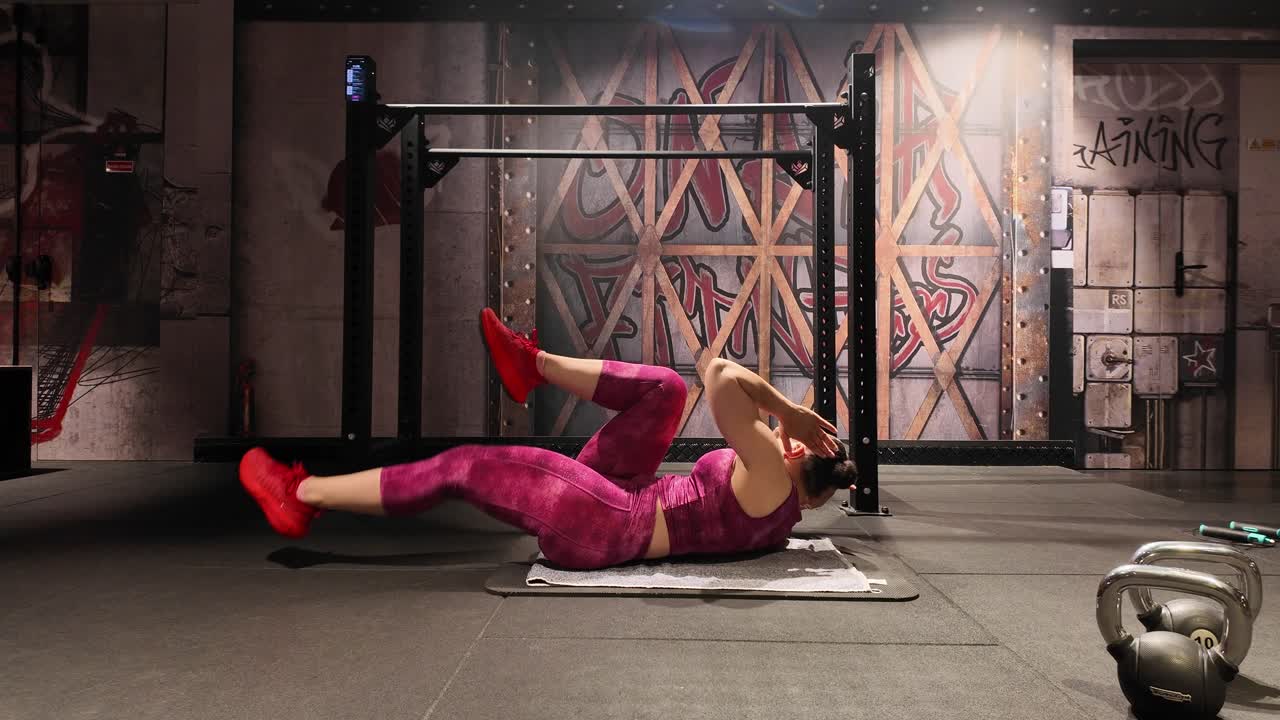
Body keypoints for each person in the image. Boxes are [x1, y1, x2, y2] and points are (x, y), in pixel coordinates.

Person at [239, 308, 858, 570]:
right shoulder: (779, 511)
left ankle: (305, 494)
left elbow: (720, 374)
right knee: (666, 390)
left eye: (795, 436)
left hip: (607, 522)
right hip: (628, 493)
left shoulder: (773, 477)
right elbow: (705, 381)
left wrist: (788, 410)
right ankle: (530, 364)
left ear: (800, 451)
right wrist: (786, 425)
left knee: (463, 464)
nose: (785, 432)